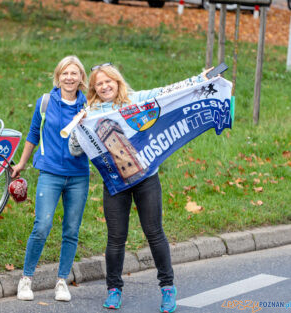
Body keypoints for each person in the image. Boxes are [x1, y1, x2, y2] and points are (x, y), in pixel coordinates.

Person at [75, 63, 211, 312]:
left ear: (117, 81)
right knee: (116, 238)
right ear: (94, 88)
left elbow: (170, 92)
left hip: (146, 177)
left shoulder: (138, 99)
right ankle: (113, 289)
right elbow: (76, 149)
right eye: (100, 83)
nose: (105, 86)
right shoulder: (89, 112)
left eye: (109, 81)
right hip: (116, 183)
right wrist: (77, 128)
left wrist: (198, 81)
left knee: (154, 232)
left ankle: (168, 287)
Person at [11, 55, 90, 302]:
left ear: (81, 78)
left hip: (78, 175)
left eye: (74, 73)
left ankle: (61, 281)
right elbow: (34, 133)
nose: (69, 78)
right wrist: (22, 163)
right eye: (65, 73)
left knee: (71, 230)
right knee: (42, 226)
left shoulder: (90, 106)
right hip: (50, 173)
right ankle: (26, 279)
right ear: (58, 76)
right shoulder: (45, 102)